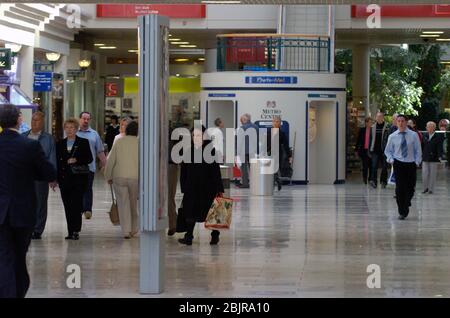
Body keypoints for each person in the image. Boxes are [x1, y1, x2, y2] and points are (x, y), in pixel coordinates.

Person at [0, 104, 56, 298]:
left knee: (4, 256)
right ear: (19, 120)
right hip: (23, 212)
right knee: (18, 256)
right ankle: (16, 291)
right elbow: (49, 172)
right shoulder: (30, 146)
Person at [178, 126, 224, 245]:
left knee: (211, 211)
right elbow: (184, 170)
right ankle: (189, 236)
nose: (196, 138)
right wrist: (184, 186)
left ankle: (215, 235)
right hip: (192, 187)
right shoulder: (189, 150)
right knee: (190, 211)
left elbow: (215, 170)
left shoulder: (210, 150)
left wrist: (219, 188)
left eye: (198, 135)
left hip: (208, 188)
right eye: (194, 135)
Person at [56, 119, 93, 240]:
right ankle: (70, 230)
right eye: (67, 127)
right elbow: (57, 162)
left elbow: (89, 158)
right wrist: (55, 178)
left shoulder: (83, 142)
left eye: (72, 127)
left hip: (78, 180)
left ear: (76, 129)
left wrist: (77, 160)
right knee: (67, 206)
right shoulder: (60, 143)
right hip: (64, 179)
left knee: (76, 205)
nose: (69, 130)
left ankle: (76, 230)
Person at [22, 111, 57, 240]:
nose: (34, 122)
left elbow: (51, 158)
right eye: (33, 120)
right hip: (24, 176)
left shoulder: (48, 139)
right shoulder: (23, 136)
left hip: (40, 177)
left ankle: (37, 230)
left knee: (40, 203)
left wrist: (52, 177)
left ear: (42, 122)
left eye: (37, 120)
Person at [104, 121, 139, 239]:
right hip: (135, 177)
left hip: (119, 177)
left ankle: (126, 231)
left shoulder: (119, 142)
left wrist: (108, 176)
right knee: (134, 204)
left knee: (123, 204)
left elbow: (111, 160)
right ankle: (134, 228)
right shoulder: (141, 143)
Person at [384, 114, 422, 220]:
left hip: (411, 164)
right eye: (398, 121)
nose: (400, 123)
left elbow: (418, 150)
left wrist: (417, 162)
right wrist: (391, 160)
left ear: (406, 122)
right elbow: (388, 151)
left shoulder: (413, 135)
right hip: (398, 163)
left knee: (410, 188)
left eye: (402, 121)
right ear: (396, 123)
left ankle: (407, 201)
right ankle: (402, 211)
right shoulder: (392, 136)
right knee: (400, 188)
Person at [77, 111, 107, 220]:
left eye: (87, 119)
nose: (85, 121)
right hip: (76, 168)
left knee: (88, 188)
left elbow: (100, 151)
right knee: (77, 188)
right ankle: (79, 208)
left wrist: (106, 165)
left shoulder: (94, 134)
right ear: (79, 119)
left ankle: (87, 209)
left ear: (90, 120)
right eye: (83, 118)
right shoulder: (75, 133)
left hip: (90, 167)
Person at [267, 116, 292, 191]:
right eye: (274, 121)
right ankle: (276, 180)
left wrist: (289, 156)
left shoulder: (282, 133)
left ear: (280, 123)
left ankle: (275, 181)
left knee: (275, 168)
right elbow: (265, 143)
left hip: (278, 153)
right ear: (272, 122)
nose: (275, 123)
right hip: (269, 153)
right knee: (270, 169)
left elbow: (286, 145)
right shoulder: (268, 132)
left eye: (277, 121)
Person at [236, 113, 258, 188]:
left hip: (243, 151)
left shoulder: (242, 128)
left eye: (241, 120)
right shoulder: (256, 127)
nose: (241, 122)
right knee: (253, 168)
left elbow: (239, 141)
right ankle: (255, 183)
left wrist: (237, 152)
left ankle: (245, 184)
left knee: (244, 168)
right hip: (253, 151)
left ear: (245, 119)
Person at [421, 121, 444, 195]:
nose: (428, 128)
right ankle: (425, 188)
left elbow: (439, 148)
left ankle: (431, 189)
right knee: (424, 174)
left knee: (432, 174)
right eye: (427, 127)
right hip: (425, 157)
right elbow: (422, 146)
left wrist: (440, 156)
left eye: (431, 127)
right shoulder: (424, 135)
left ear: (434, 128)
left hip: (434, 158)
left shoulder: (438, 136)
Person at [369, 112, 390, 189]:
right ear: (376, 118)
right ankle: (374, 181)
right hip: (375, 150)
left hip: (384, 151)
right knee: (374, 166)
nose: (379, 118)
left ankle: (383, 181)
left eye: (380, 117)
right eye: (377, 117)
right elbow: (370, 139)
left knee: (384, 167)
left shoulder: (387, 127)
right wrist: (369, 149)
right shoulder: (373, 127)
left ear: (383, 118)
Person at [355, 117, 373, 184]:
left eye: (371, 122)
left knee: (371, 166)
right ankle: (364, 178)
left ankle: (370, 178)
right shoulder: (362, 130)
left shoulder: (372, 130)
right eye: (369, 122)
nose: (371, 123)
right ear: (366, 123)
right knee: (365, 166)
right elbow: (358, 140)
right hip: (364, 151)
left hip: (371, 150)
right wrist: (356, 150)